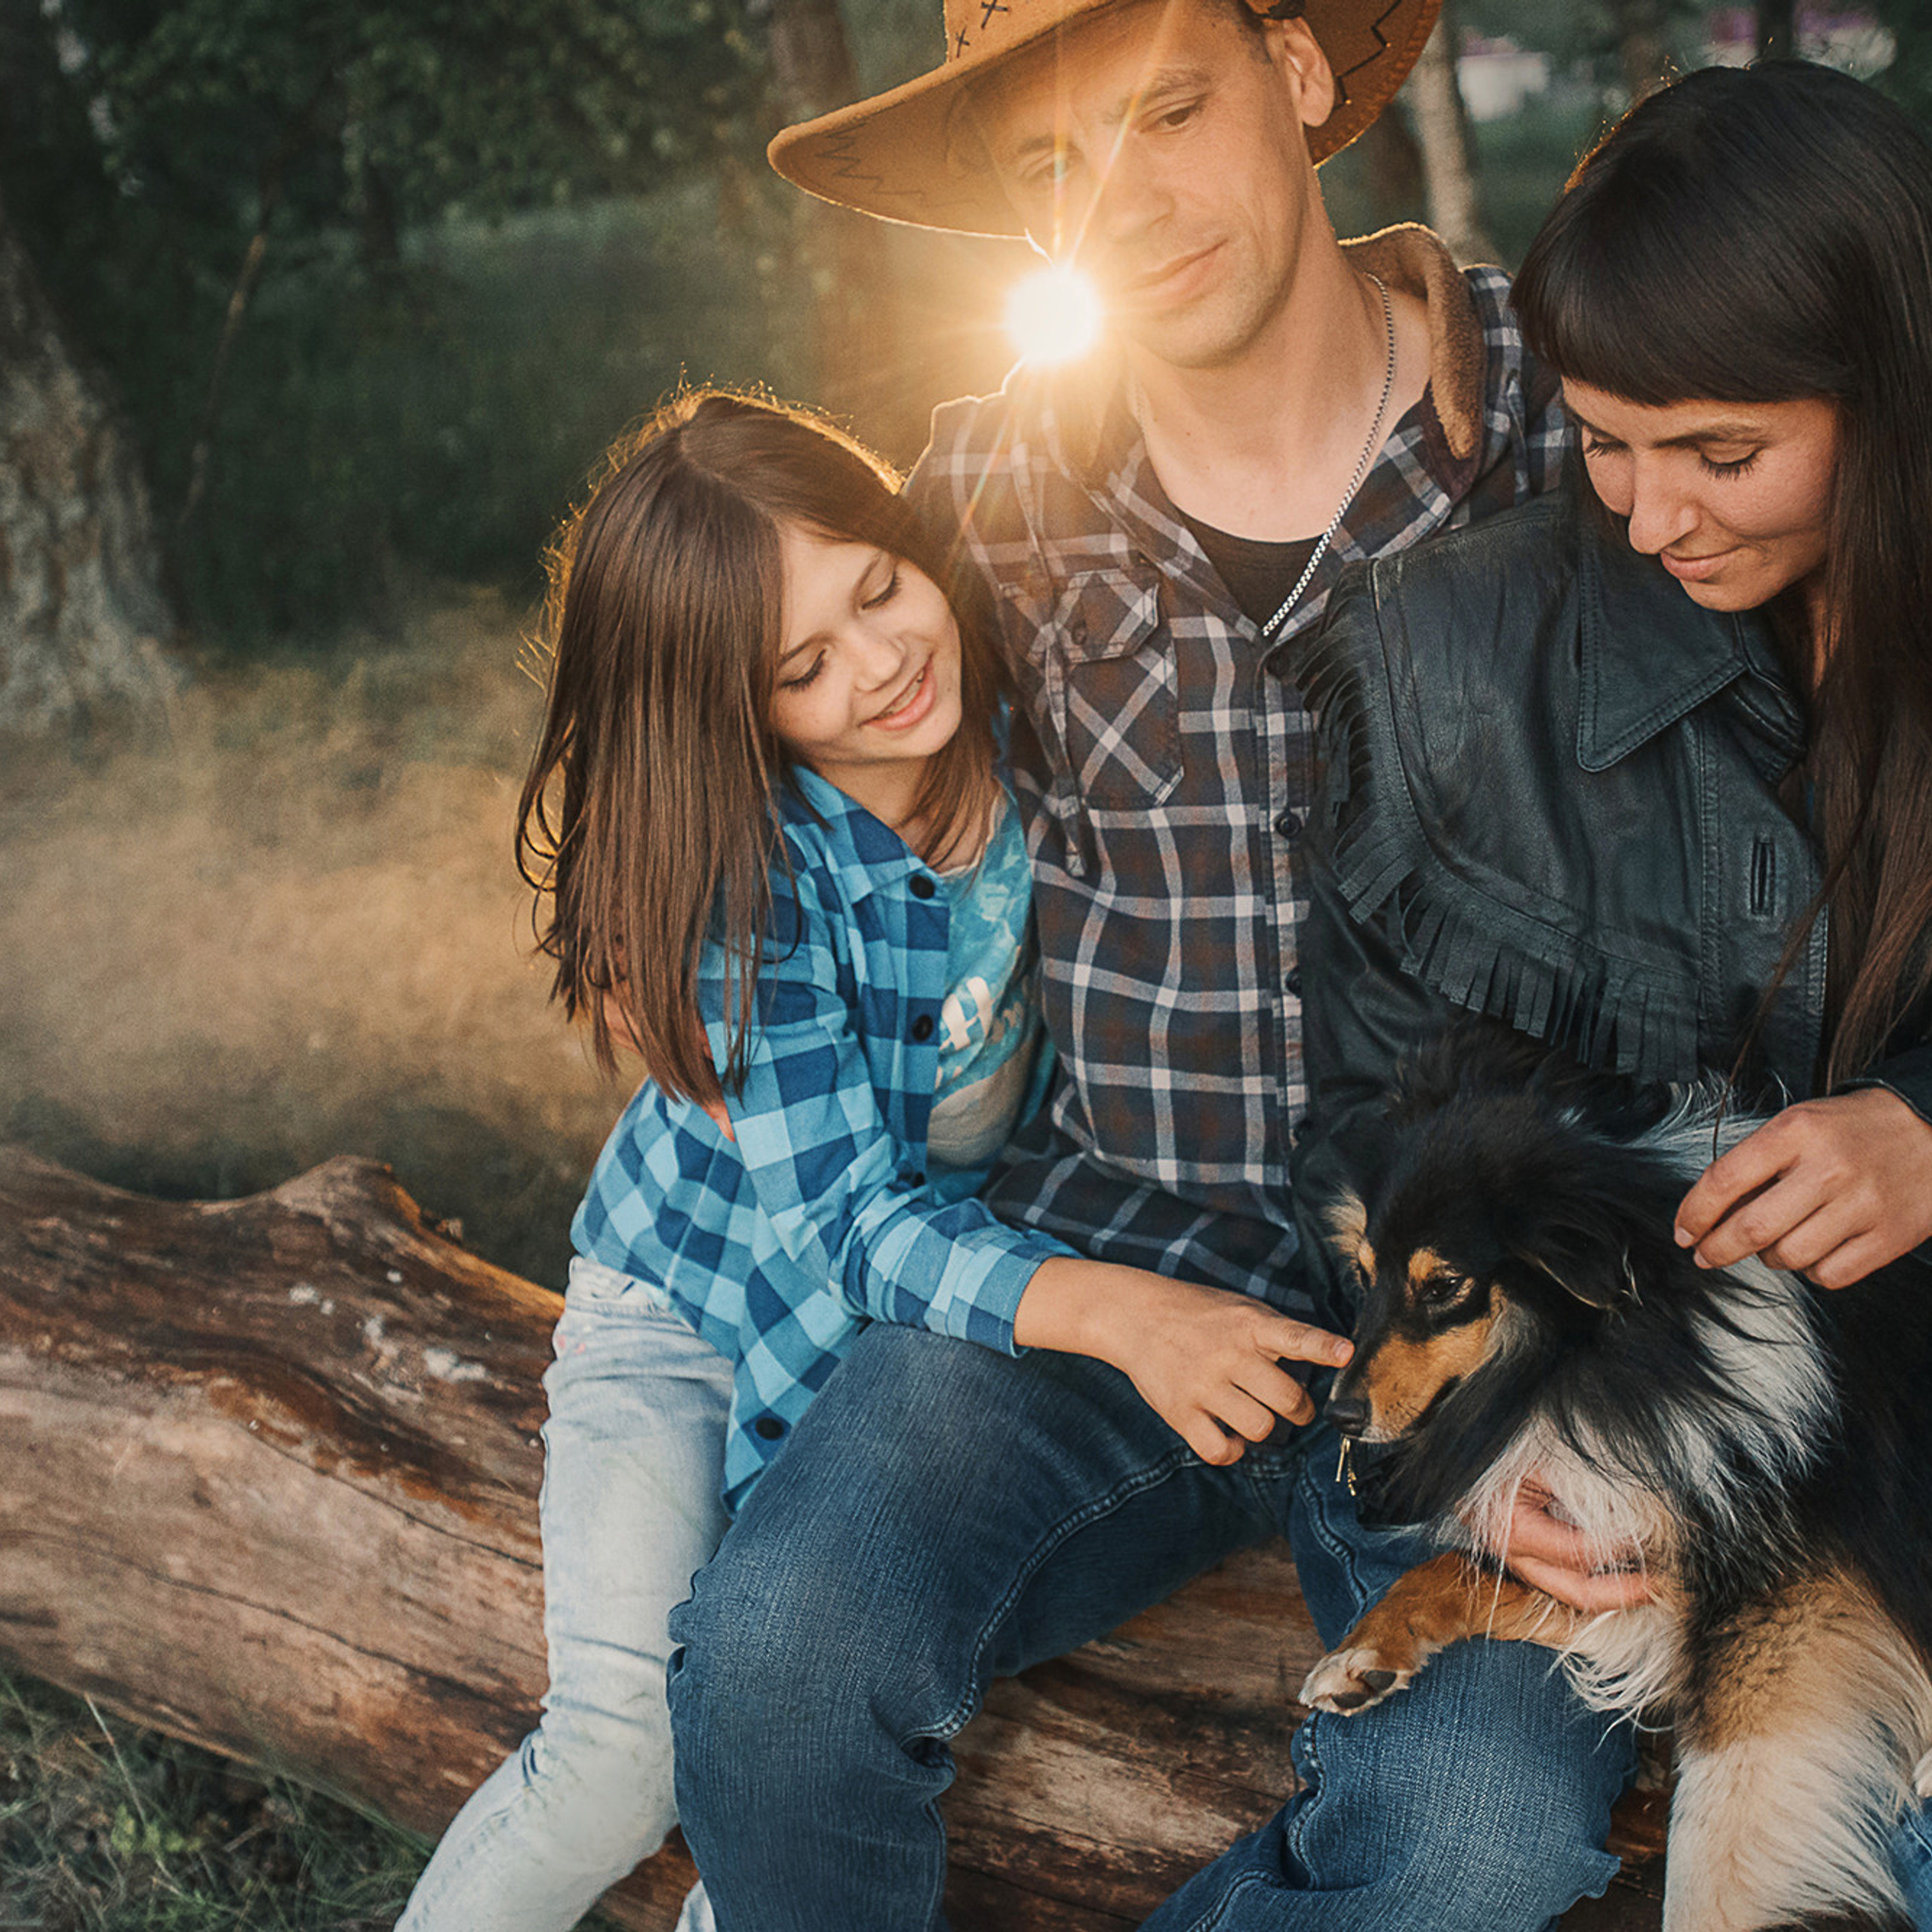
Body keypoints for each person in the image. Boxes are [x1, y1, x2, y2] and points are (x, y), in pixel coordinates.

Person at [663, 3, 1642, 1927]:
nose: (1116, 197)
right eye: (1049, 162)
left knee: (1478, 1836)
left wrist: (1616, 1383)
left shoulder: (1564, 415)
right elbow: (783, 698)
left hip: (1494, 1286)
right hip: (1118, 1235)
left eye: (1166, 108)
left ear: (1293, 69)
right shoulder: (990, 486)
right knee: (773, 1657)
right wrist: (664, 915)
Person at [395, 389, 1351, 1932]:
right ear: (733, 707)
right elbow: (844, 1229)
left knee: (798, 1703)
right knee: (625, 1747)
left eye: (880, 586)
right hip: (686, 1328)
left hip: (897, 1323)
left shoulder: (1029, 743)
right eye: (802, 665)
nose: (882, 661)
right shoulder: (748, 885)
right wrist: (1109, 1309)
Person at [1292, 56, 1932, 1911]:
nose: (1649, 514)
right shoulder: (1440, 661)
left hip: (1877, 1439)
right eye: (1603, 439)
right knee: (1456, 1836)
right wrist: (1487, 1448)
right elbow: (1358, 1116)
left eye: (1720, 452)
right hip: (1553, 1441)